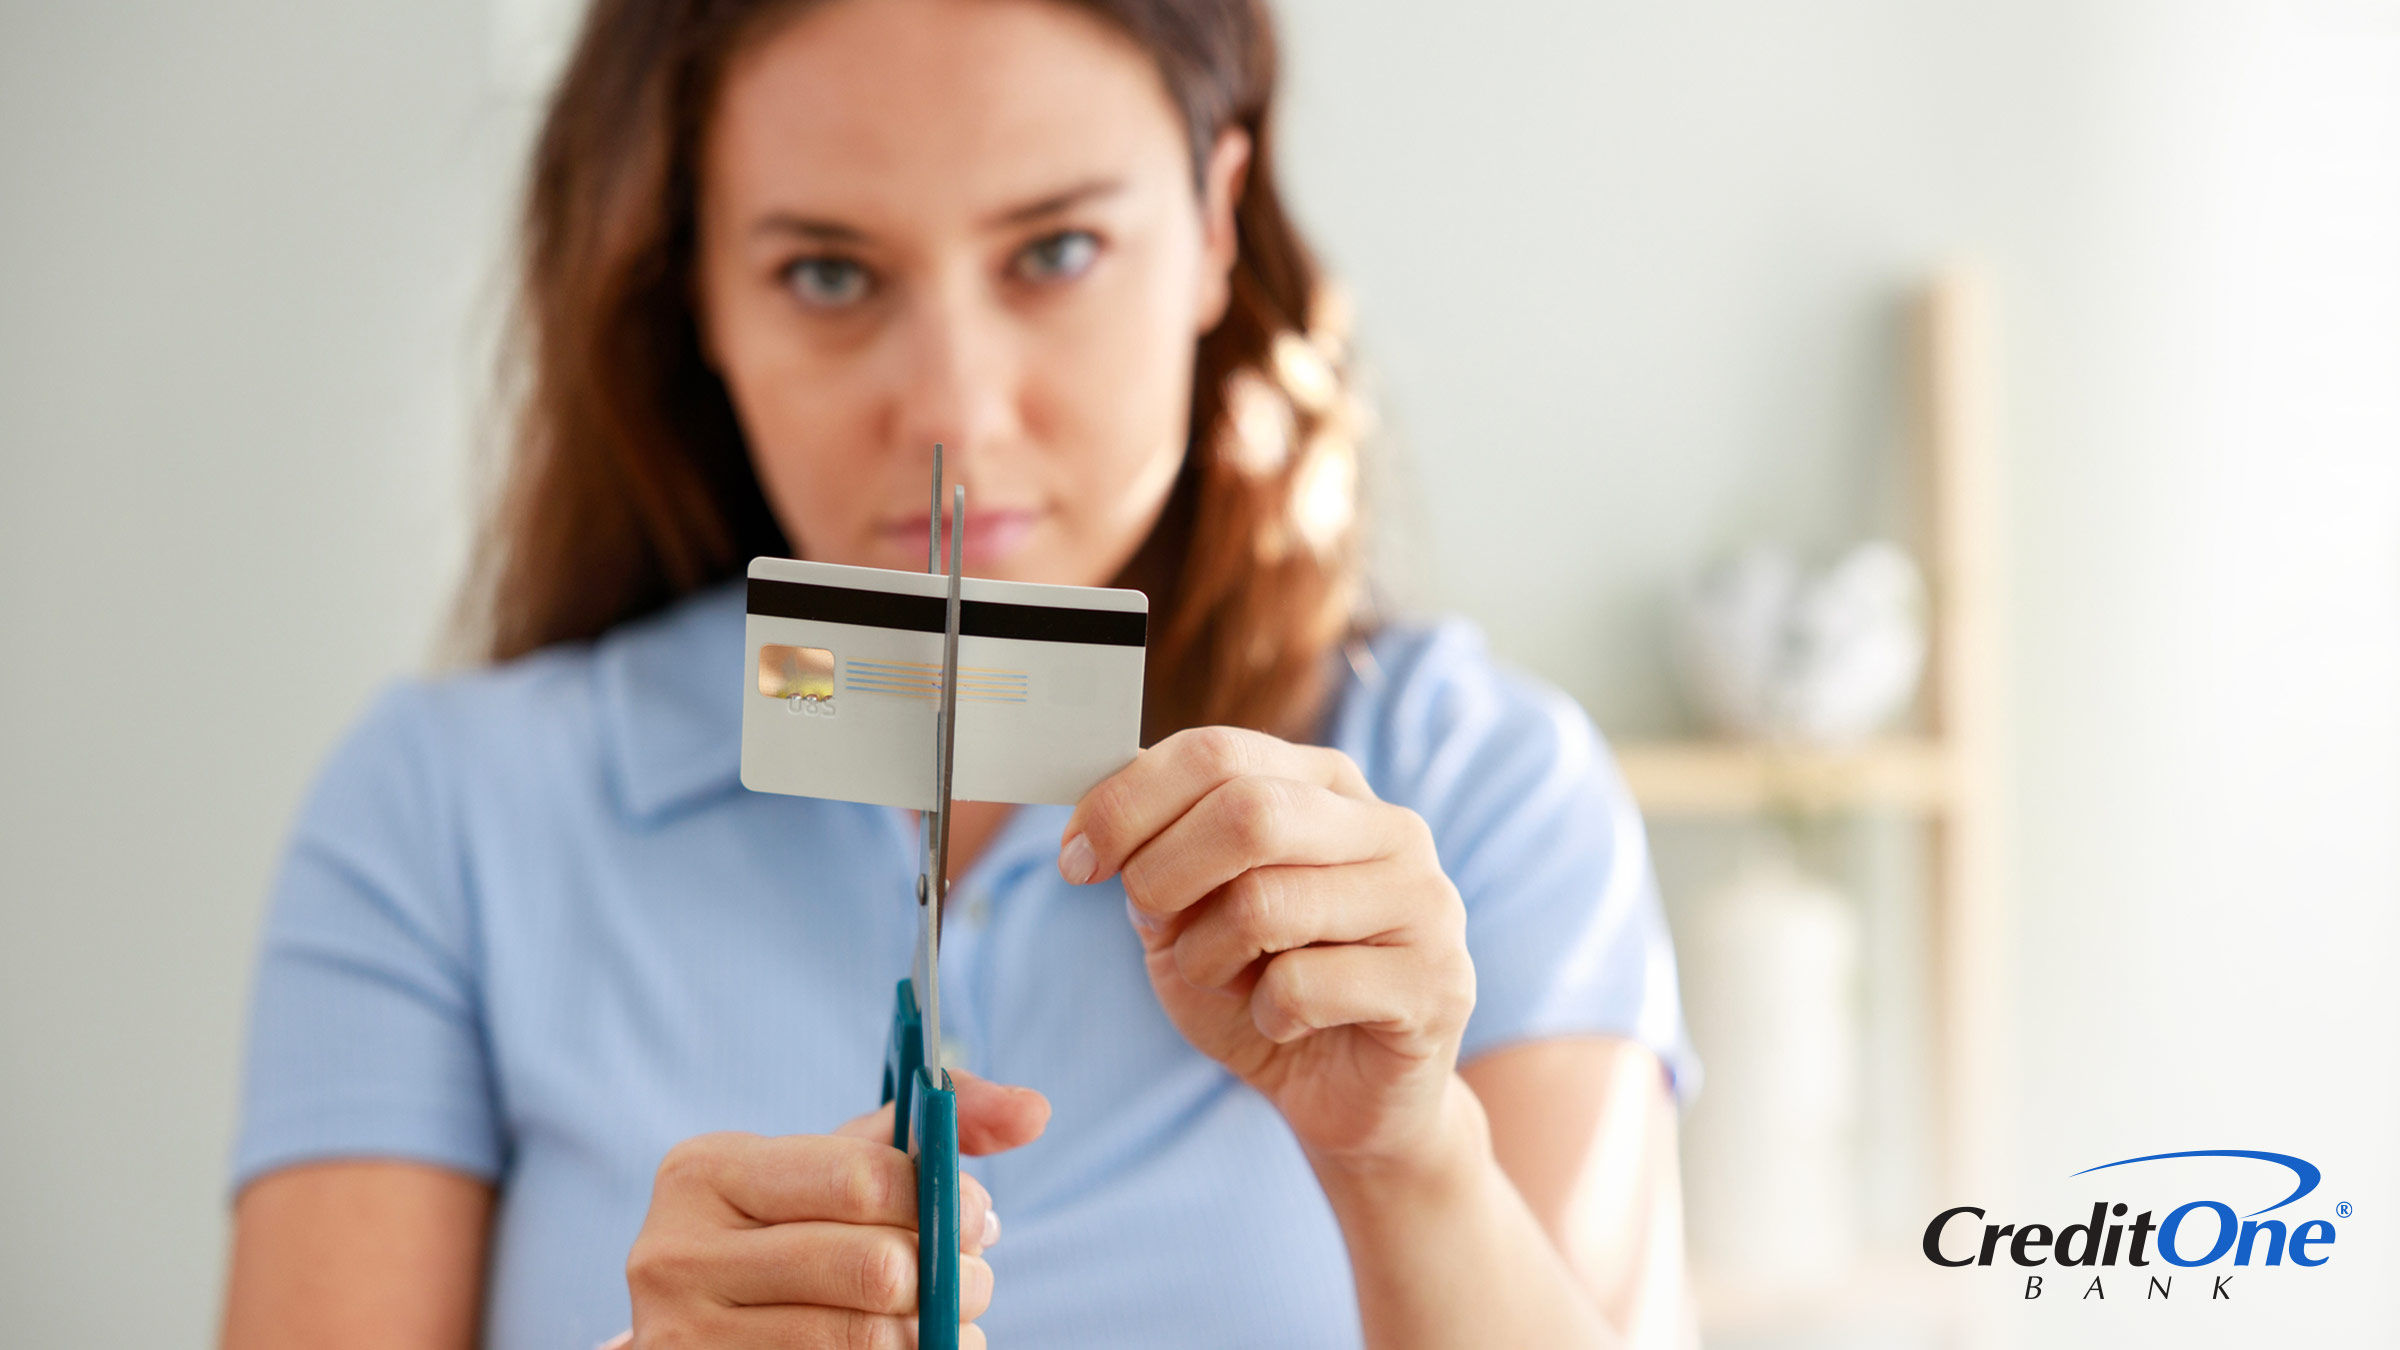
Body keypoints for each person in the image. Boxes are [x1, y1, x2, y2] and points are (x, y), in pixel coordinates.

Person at [218, 0, 1701, 1346]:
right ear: (699, 301)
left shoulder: (1478, 785)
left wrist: (1408, 1152)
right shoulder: (446, 810)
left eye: (1055, 251)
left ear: (1213, 224)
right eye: (825, 271)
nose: (951, 408)